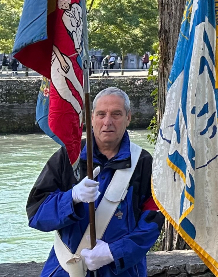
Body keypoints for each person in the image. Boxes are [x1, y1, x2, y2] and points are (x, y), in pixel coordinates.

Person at [26, 87, 163, 277]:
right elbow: (36, 213)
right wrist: (71, 198)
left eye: (116, 114)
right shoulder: (68, 157)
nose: (107, 122)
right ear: (91, 118)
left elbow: (153, 223)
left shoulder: (143, 163)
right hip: (67, 270)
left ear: (128, 118)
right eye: (101, 114)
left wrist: (113, 253)